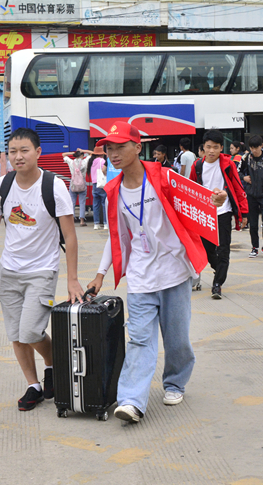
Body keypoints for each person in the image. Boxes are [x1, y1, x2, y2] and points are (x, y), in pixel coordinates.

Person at [86, 121, 211, 423]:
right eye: (109, 148)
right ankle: (132, 400)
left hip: (173, 271)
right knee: (140, 338)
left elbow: (198, 201)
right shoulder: (114, 190)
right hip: (141, 275)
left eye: (120, 147)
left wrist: (215, 201)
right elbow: (117, 236)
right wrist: (101, 273)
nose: (113, 153)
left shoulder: (164, 177)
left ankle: (175, 383)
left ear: (137, 147)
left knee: (176, 338)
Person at [0, 128, 84, 411]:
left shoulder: (54, 186)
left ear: (38, 152)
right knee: (16, 334)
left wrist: (72, 279)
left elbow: (70, 235)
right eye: (12, 152)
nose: (18, 156)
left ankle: (52, 363)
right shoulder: (1, 186)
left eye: (24, 150)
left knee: (30, 331)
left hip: (42, 270)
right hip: (10, 271)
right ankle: (33, 385)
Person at [188, 129, 248, 299]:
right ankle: (219, 268)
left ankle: (217, 284)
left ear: (222, 147)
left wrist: (244, 213)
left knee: (223, 250)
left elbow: (238, 188)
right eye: (208, 147)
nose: (212, 151)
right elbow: (190, 189)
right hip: (204, 214)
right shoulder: (197, 166)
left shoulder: (228, 165)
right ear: (203, 148)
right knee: (206, 250)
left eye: (216, 147)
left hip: (224, 212)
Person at [240, 135, 263, 259]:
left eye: (256, 147)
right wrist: (244, 178)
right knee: (253, 224)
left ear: (261, 146)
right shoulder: (246, 158)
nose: (254, 150)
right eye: (251, 148)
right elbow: (238, 172)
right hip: (251, 195)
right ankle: (254, 247)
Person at [62, 149, 89, 227]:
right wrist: (83, 150)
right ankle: (82, 221)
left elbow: (63, 154)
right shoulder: (84, 162)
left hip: (73, 184)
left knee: (72, 202)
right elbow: (92, 153)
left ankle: (72, 221)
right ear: (82, 155)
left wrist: (72, 153)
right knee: (82, 202)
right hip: (82, 184)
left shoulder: (71, 162)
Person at [87, 147, 108, 230]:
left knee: (95, 205)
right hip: (101, 184)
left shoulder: (91, 161)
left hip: (94, 184)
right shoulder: (102, 161)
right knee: (104, 204)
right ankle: (105, 223)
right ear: (102, 154)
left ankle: (96, 224)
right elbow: (104, 170)